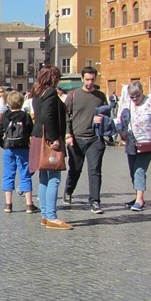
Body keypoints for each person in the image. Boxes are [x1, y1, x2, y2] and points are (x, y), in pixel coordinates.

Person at [115, 80, 151, 211]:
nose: (135, 99)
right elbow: (120, 118)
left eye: (137, 96)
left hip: (147, 142)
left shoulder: (150, 103)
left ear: (142, 93)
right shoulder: (128, 103)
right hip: (131, 142)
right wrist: (121, 131)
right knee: (133, 171)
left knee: (139, 170)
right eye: (132, 96)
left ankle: (140, 200)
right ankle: (137, 196)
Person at [63, 66, 108, 214]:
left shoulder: (100, 96)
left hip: (95, 139)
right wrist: (68, 134)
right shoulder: (73, 95)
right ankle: (68, 191)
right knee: (75, 169)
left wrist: (102, 119)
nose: (90, 82)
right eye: (87, 79)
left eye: (92, 79)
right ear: (82, 79)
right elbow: (66, 117)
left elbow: (108, 115)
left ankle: (95, 201)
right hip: (76, 139)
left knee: (95, 170)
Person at [31, 65, 71, 230]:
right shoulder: (50, 93)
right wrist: (53, 138)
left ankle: (45, 215)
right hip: (48, 138)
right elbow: (48, 116)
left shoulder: (37, 93)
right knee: (54, 177)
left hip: (38, 136)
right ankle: (52, 217)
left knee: (44, 177)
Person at [0, 91, 38, 214]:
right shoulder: (25, 116)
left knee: (8, 174)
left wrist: (3, 144)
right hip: (23, 149)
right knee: (25, 174)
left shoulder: (6, 116)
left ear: (9, 102)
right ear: (22, 102)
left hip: (9, 149)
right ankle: (29, 204)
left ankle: (8, 204)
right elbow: (32, 132)